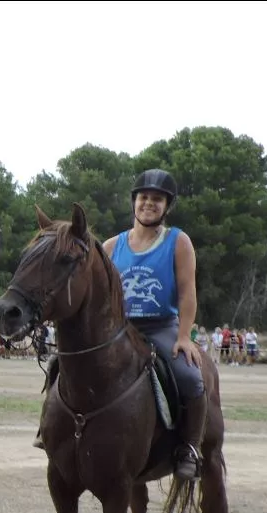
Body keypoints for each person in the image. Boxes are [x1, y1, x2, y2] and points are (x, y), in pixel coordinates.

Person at [107, 169, 205, 479]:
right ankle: (53, 431)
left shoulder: (178, 241)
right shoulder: (111, 247)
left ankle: (190, 447)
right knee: (65, 366)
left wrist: (185, 336)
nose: (149, 203)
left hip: (161, 325)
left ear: (166, 206)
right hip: (120, 328)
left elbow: (188, 291)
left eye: (157, 199)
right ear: (134, 202)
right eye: (144, 197)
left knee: (190, 377)